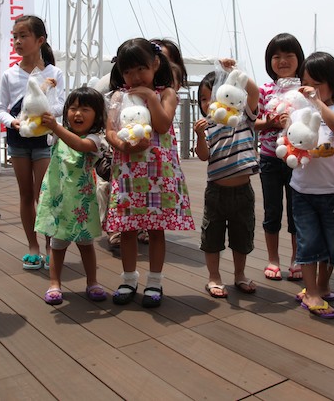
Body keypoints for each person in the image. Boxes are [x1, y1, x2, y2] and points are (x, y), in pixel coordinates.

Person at [104, 38, 194, 308]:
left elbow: (163, 125)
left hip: (159, 173)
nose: (134, 77)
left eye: (141, 69)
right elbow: (110, 130)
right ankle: (128, 279)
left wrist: (151, 97)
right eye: (127, 71)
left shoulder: (167, 94)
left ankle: (155, 281)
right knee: (127, 229)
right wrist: (121, 145)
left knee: (156, 229)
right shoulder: (118, 97)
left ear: (155, 64)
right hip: (128, 173)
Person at [0, 15, 65, 271]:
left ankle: (50, 246)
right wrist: (12, 121)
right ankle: (33, 247)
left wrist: (44, 113)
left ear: (40, 40)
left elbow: (62, 104)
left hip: (44, 139)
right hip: (18, 139)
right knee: (25, 194)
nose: (17, 41)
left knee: (43, 195)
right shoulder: (9, 74)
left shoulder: (54, 73)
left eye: (23, 36)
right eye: (15, 37)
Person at [291, 52, 334, 319]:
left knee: (331, 244)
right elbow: (292, 141)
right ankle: (311, 292)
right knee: (307, 242)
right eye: (306, 83)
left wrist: (317, 102)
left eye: (317, 84)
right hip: (303, 190)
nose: (310, 89)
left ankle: (323, 285)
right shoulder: (298, 113)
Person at [35, 87, 108, 304]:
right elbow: (34, 122)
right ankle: (54, 283)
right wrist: (40, 93)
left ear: (97, 115)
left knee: (86, 244)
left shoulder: (94, 139)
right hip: (60, 201)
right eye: (73, 108)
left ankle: (92, 281)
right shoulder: (56, 134)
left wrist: (55, 127)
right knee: (57, 245)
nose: (78, 113)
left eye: (85, 109)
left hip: (82, 203)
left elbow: (79, 145)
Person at [194, 64, 259, 298]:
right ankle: (214, 277)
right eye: (202, 99)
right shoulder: (207, 125)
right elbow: (203, 155)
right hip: (216, 191)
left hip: (243, 190)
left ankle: (239, 274)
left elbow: (254, 93)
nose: (207, 103)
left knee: (242, 236)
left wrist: (236, 71)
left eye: (211, 96)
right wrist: (199, 135)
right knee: (212, 236)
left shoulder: (243, 117)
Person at [255, 33, 305, 281]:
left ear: (299, 58)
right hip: (269, 157)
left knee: (297, 211)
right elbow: (253, 122)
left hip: (298, 158)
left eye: (288, 55)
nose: (282, 61)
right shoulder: (264, 90)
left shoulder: (305, 89)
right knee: (272, 210)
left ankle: (296, 259)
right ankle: (273, 259)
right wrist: (270, 122)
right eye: (276, 56)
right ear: (269, 61)